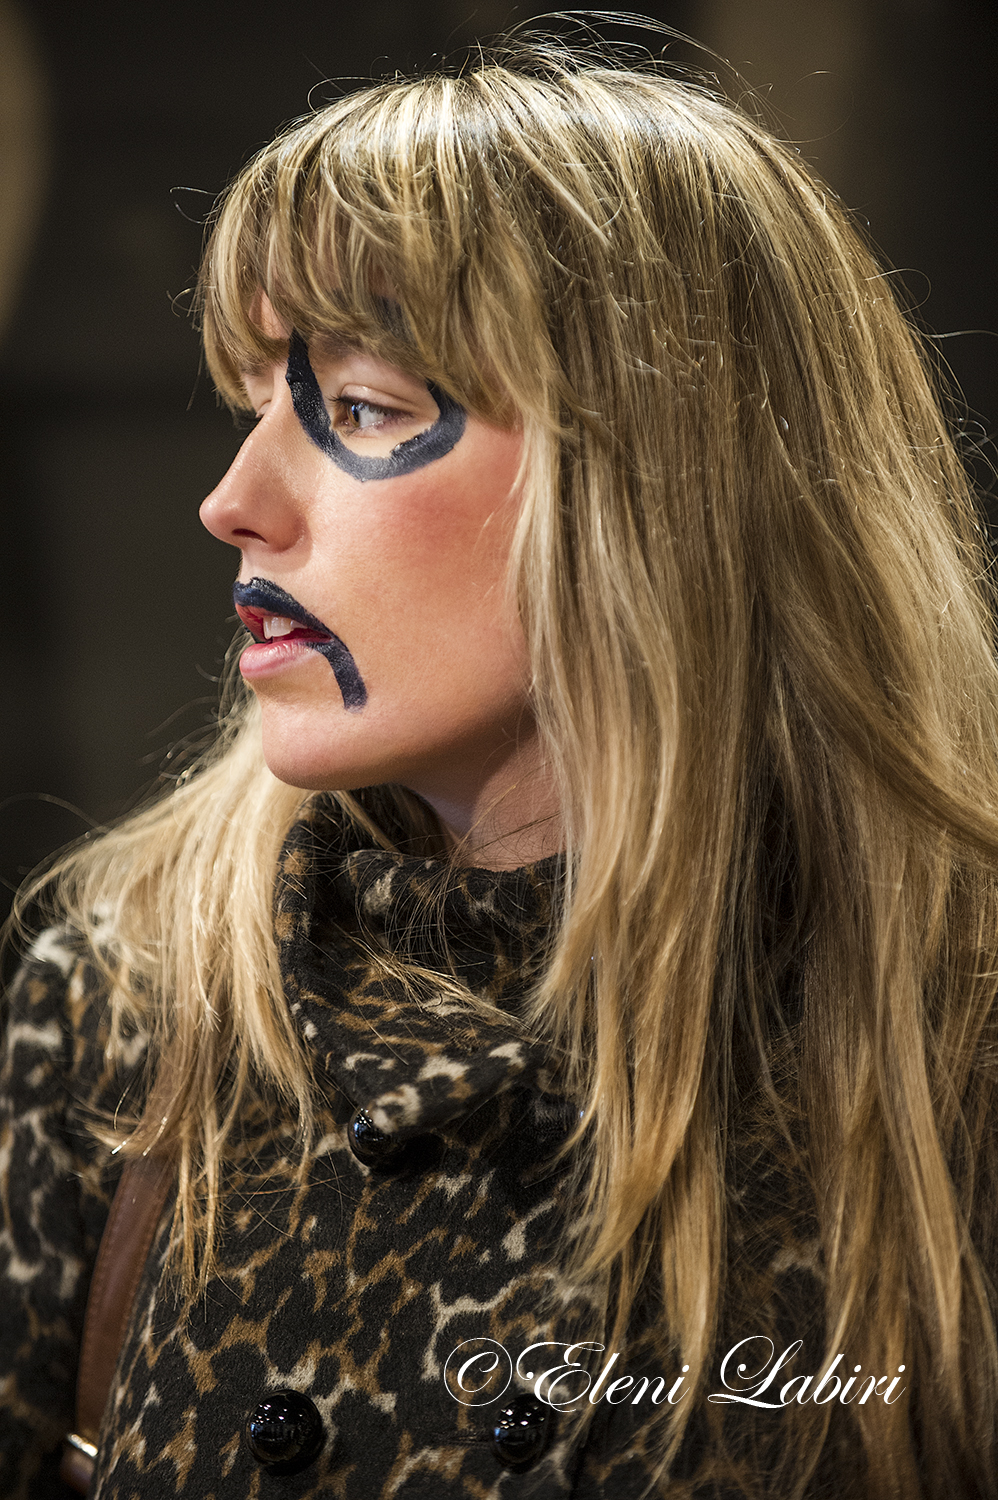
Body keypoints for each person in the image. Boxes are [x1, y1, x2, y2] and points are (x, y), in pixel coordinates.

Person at [2, 32, 997, 1500]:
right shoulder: (130, 1010)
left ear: (659, 478)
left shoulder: (946, 1051)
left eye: (362, 408)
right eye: (253, 405)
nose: (233, 501)